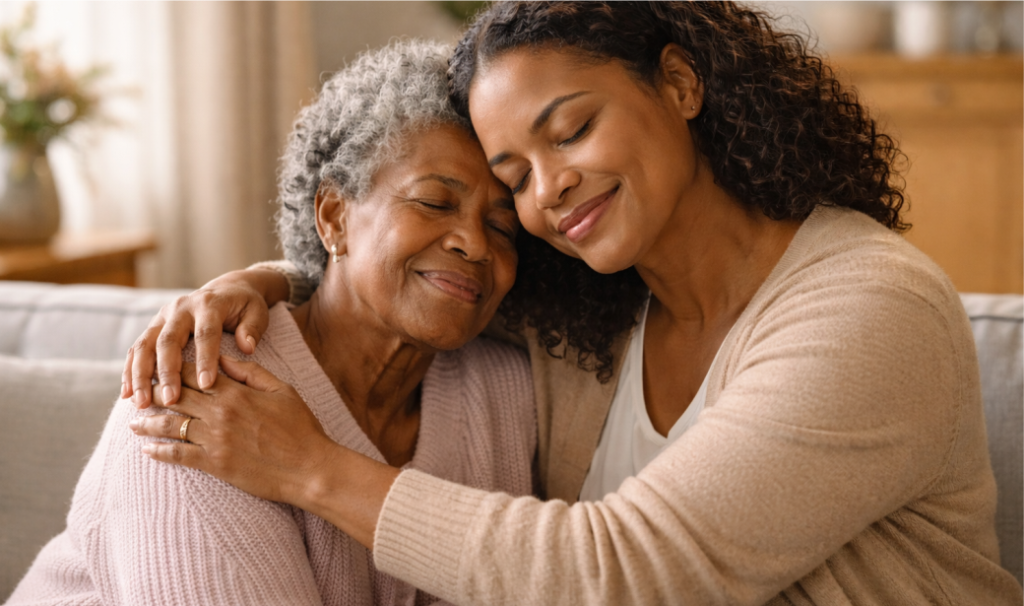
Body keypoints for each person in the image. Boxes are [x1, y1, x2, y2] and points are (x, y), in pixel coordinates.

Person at [122, 0, 1024, 604]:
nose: (546, 191)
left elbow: (630, 570)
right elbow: (402, 274)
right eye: (515, 177)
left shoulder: (870, 308)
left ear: (679, 83)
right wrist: (250, 285)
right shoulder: (583, 311)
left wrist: (308, 469)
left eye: (572, 130)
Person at [7, 40, 536, 606]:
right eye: (434, 202)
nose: (476, 244)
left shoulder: (503, 387)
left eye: (503, 229)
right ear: (334, 218)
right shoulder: (200, 388)